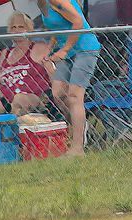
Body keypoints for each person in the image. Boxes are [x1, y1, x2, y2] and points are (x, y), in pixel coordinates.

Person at [37, 0, 101, 155]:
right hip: (68, 51)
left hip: (85, 49)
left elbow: (78, 21)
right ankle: (80, 124)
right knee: (57, 93)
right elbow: (57, 27)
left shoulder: (57, 1)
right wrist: (50, 48)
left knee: (74, 96)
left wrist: (64, 50)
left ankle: (77, 148)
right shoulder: (41, 3)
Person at [0, 14, 53, 115]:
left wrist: (50, 97)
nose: (17, 30)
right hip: (6, 100)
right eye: (13, 27)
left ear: (29, 29)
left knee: (19, 98)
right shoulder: (6, 53)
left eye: (21, 27)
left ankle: (12, 126)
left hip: (33, 97)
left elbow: (52, 73)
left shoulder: (38, 48)